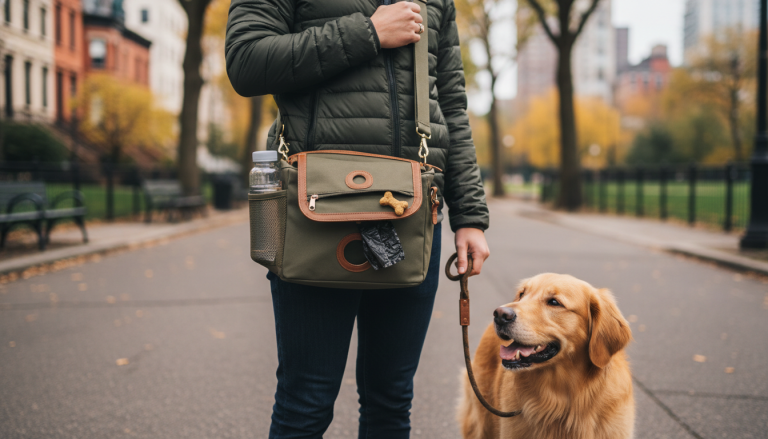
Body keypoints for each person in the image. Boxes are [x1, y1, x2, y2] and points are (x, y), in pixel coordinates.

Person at [226, 1, 489, 437]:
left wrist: (470, 216)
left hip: (413, 211)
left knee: (391, 400)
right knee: (305, 401)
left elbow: (451, 106)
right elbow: (246, 61)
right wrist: (368, 32)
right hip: (314, 213)